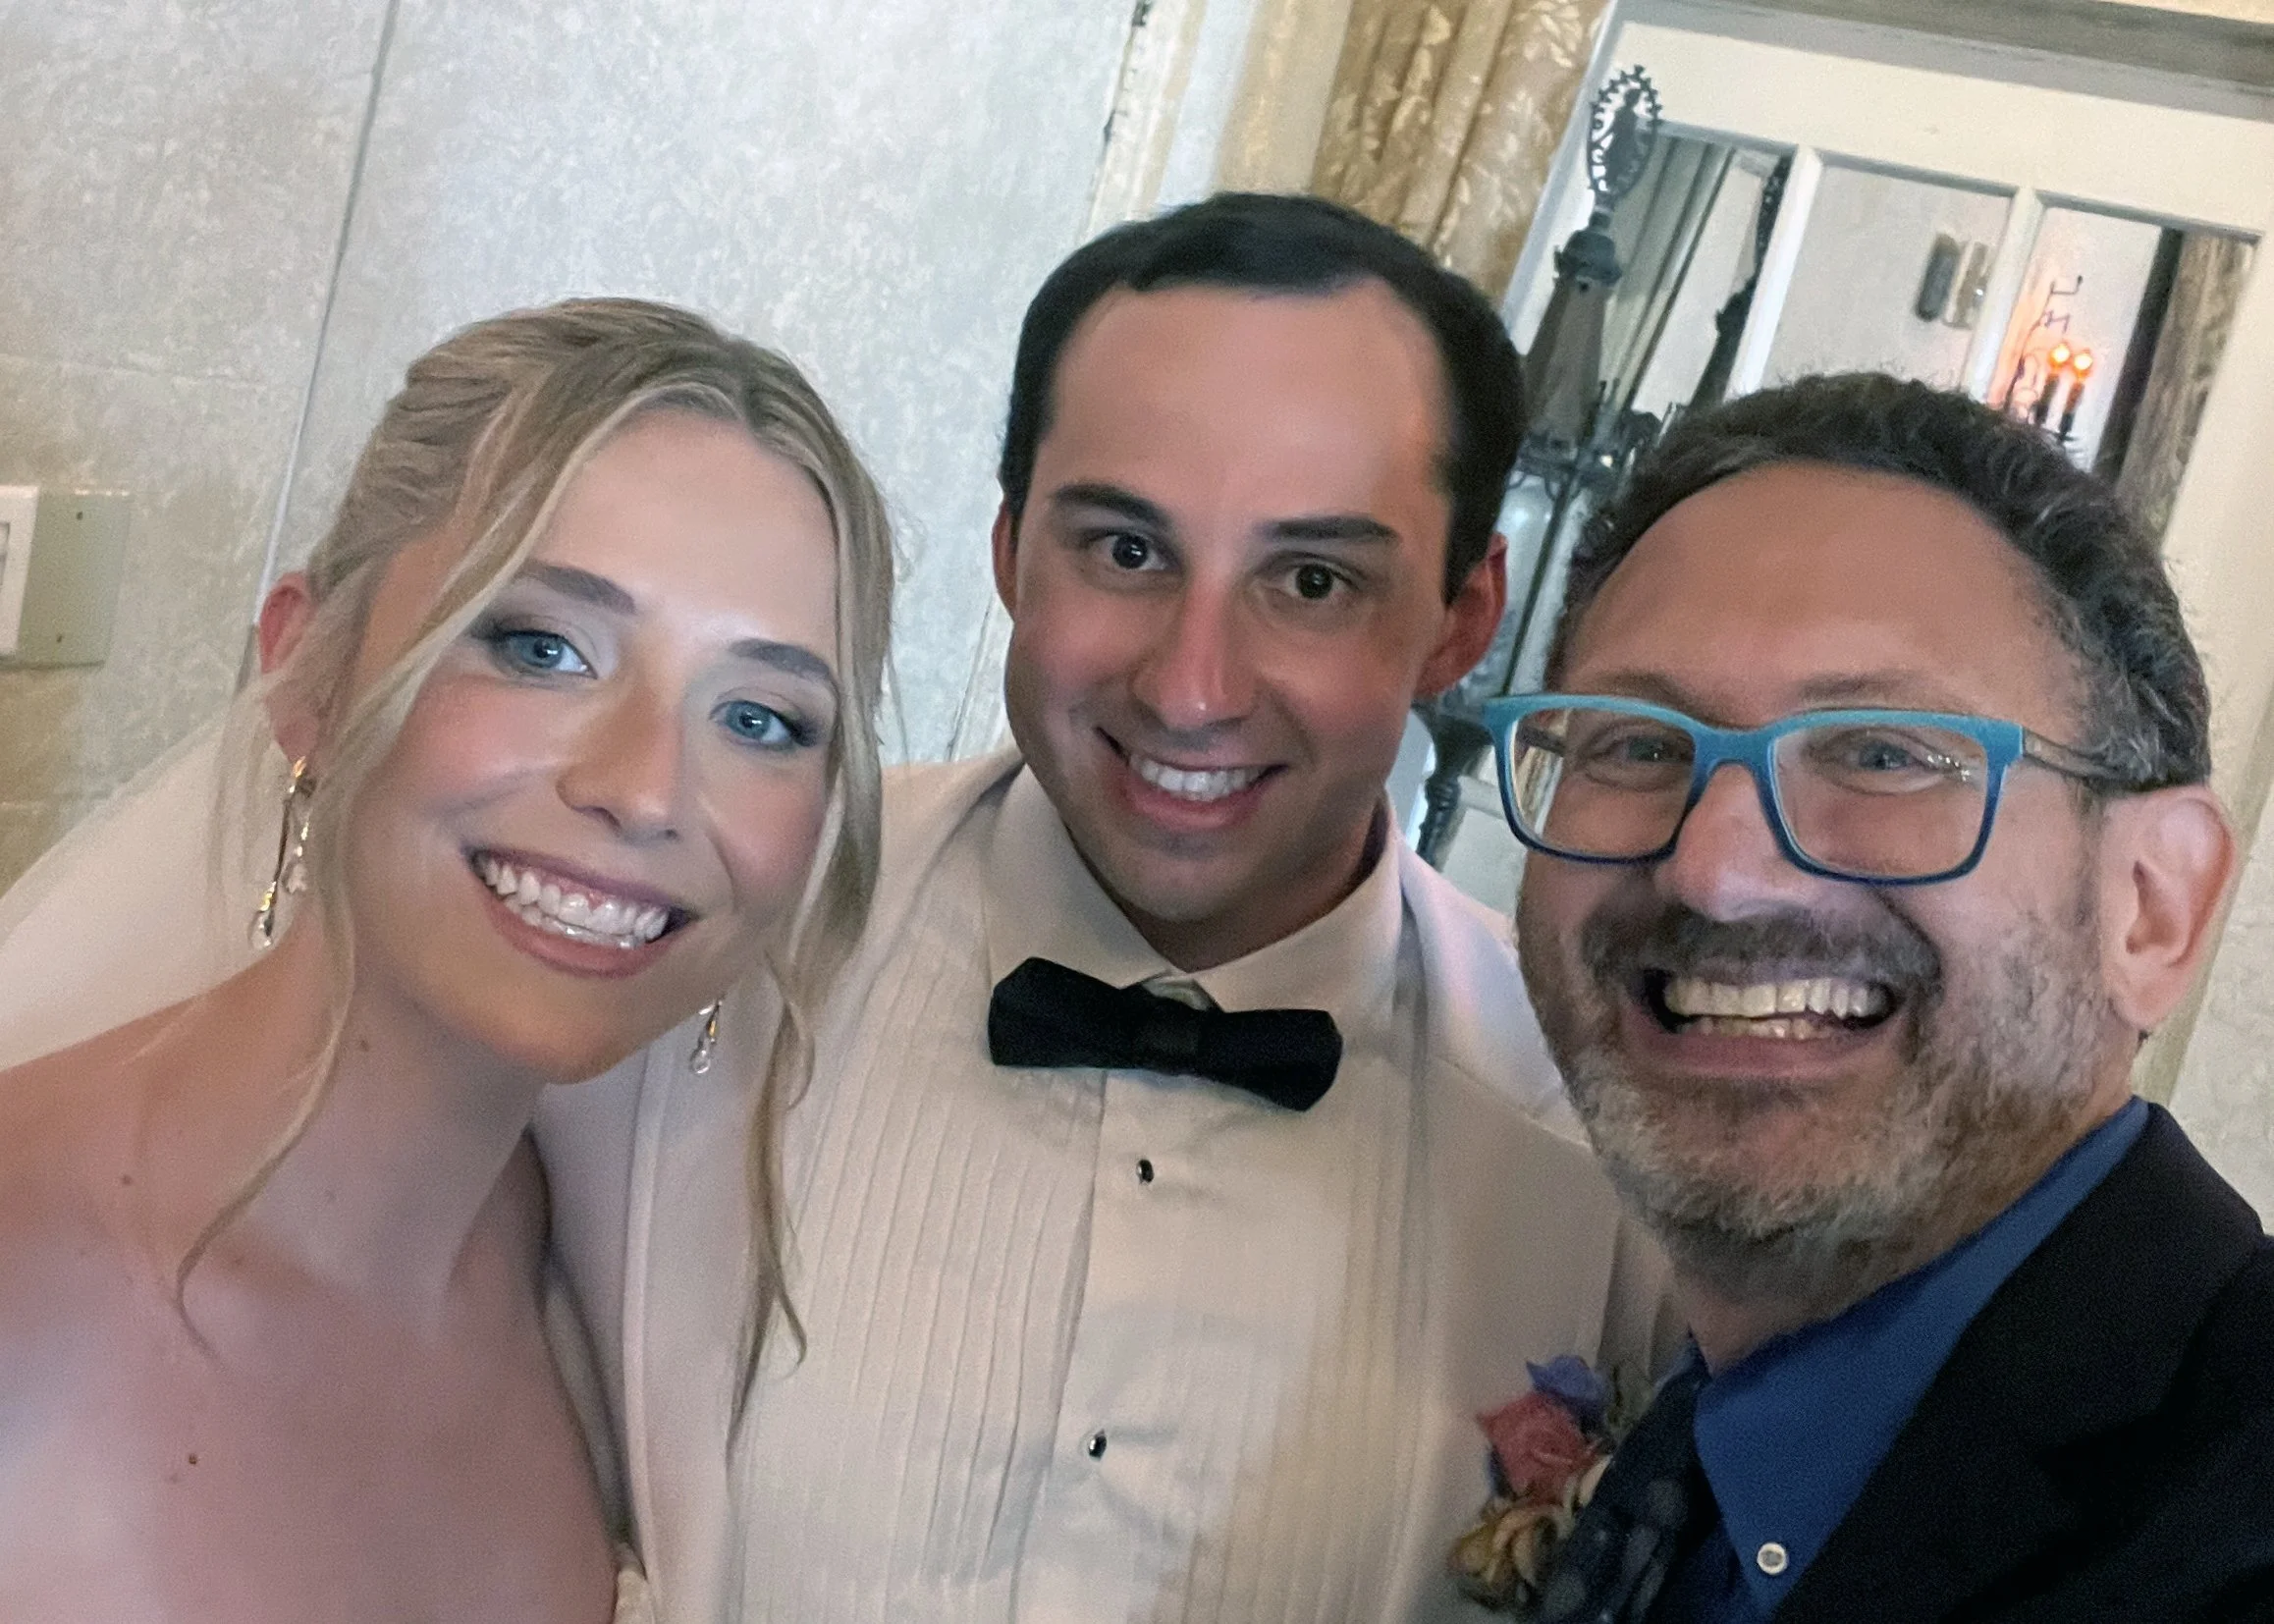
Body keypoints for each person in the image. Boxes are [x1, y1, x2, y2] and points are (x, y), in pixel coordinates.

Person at [0, 194, 1675, 1624]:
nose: (1196, 679)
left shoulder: (1607, 1154)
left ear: (1463, 620)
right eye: (1122, 548)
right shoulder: (670, 980)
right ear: (1016, 553)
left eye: (1314, 577)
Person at [0, 298, 893, 1624]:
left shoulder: (606, 1308)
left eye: (760, 714)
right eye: (542, 646)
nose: (648, 788)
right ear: (306, 667)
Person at [1490, 372, 2274, 1622]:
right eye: (1637, 744)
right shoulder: (1705, 1440)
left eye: (1883, 753)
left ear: (2153, 908)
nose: (1717, 870)